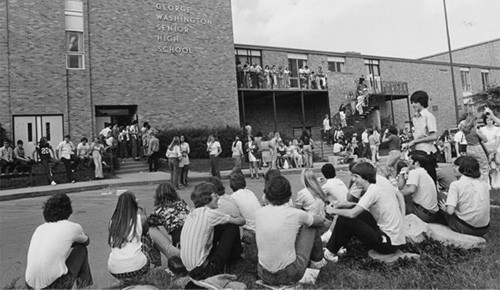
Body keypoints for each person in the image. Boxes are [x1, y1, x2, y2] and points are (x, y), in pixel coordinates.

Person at [324, 162, 405, 262]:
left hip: (388, 243)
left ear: (365, 177)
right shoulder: (377, 184)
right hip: (394, 238)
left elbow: (352, 213)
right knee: (352, 215)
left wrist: (333, 210)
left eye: (356, 177)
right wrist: (340, 205)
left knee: (346, 218)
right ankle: (340, 246)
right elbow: (359, 206)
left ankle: (330, 252)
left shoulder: (372, 191)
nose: (353, 180)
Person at [255, 176, 324, 285]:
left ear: (266, 195)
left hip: (263, 273)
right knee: (311, 225)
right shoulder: (295, 214)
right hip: (288, 275)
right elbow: (319, 222)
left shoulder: (258, 213)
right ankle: (318, 262)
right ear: (289, 195)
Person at [25, 193, 93, 289]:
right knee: (81, 249)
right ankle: (85, 287)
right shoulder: (72, 227)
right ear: (69, 211)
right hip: (54, 286)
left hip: (31, 286)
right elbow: (86, 241)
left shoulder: (39, 229)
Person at [180, 182, 245, 280]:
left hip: (190, 269)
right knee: (232, 226)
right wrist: (235, 216)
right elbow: (241, 222)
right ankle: (235, 260)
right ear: (207, 198)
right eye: (215, 195)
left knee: (218, 226)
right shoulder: (210, 214)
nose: (218, 198)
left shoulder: (192, 213)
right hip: (205, 271)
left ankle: (230, 258)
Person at [108, 191, 154, 281]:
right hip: (137, 267)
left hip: (114, 268)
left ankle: (125, 280)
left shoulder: (112, 223)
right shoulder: (140, 219)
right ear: (134, 204)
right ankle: (149, 272)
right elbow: (146, 230)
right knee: (145, 238)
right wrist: (143, 211)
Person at [438, 156, 490, 236]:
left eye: (456, 166)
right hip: (484, 228)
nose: (453, 168)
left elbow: (450, 211)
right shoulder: (483, 183)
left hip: (465, 227)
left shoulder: (456, 184)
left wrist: (445, 208)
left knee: (441, 195)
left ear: (464, 168)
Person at [295, 169, 329, 269]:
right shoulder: (319, 190)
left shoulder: (302, 193)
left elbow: (296, 212)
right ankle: (318, 259)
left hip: (311, 223)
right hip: (322, 221)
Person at [397, 151, 438, 223]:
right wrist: (402, 174)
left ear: (417, 163)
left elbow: (411, 190)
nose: (407, 162)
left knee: (393, 204)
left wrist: (394, 194)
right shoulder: (422, 171)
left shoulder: (415, 172)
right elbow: (400, 187)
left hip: (421, 213)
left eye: (410, 160)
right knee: (404, 197)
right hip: (431, 214)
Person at [407, 90, 438, 182]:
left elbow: (434, 136)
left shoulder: (428, 116)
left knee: (429, 181)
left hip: (427, 153)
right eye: (412, 102)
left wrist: (415, 141)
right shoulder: (415, 117)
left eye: (415, 102)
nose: (413, 105)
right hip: (418, 152)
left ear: (422, 102)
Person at [148, 182, 189, 249]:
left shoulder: (160, 211)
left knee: (150, 229)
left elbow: (148, 222)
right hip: (191, 232)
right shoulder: (182, 203)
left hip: (179, 239)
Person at [461, 114, 489, 184]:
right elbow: (485, 139)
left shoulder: (465, 130)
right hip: (477, 147)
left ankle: (474, 182)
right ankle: (483, 183)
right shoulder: (475, 130)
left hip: (469, 148)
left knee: (473, 166)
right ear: (473, 121)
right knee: (484, 166)